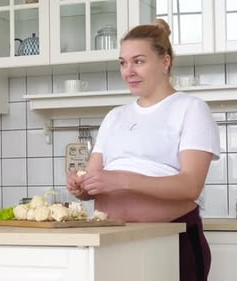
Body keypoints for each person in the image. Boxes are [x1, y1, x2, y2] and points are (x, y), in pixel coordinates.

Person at [66, 19, 220, 281]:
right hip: (112, 242)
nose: (128, 71)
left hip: (172, 239)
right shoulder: (115, 117)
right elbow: (91, 184)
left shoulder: (190, 109)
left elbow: (190, 185)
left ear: (164, 62)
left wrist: (120, 179)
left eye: (138, 61)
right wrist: (82, 187)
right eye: (123, 63)